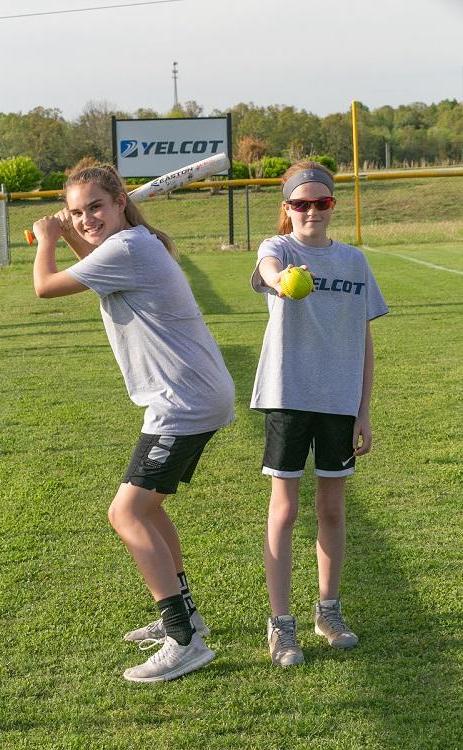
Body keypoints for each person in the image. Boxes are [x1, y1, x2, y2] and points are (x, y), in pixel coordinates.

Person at [32, 163, 235, 683]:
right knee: (148, 509)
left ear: (121, 201)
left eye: (95, 207)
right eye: (77, 212)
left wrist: (49, 236)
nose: (86, 218)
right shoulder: (135, 245)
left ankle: (183, 641)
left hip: (183, 400)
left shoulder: (130, 250)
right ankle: (185, 614)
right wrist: (75, 232)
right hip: (184, 396)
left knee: (126, 515)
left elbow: (46, 287)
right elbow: (95, 264)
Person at [250, 161, 388, 667]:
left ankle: (327, 611)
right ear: (287, 209)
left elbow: (365, 339)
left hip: (339, 401)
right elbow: (267, 269)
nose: (311, 210)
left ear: (333, 206)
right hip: (288, 395)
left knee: (331, 509)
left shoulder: (354, 261)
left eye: (321, 202)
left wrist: (363, 411)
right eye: (300, 203)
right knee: (284, 510)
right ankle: (281, 624)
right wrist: (283, 279)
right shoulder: (280, 250)